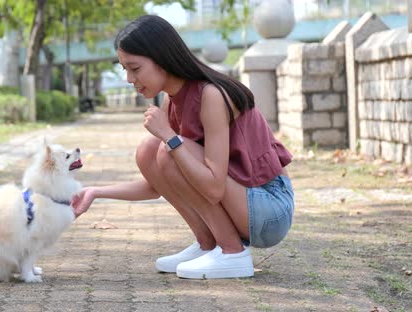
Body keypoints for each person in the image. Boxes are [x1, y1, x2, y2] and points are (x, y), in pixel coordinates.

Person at [71, 15, 294, 279]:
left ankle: (232, 252)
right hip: (243, 202)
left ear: (161, 58)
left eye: (135, 68)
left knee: (168, 149)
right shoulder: (172, 100)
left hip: (270, 208)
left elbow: (212, 187)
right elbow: (159, 184)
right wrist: (96, 192)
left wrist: (169, 136)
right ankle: (208, 246)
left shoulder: (211, 94)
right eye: (125, 70)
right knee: (148, 150)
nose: (130, 78)